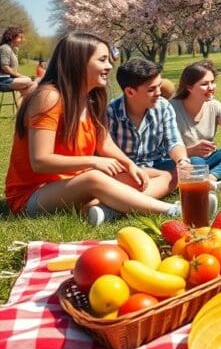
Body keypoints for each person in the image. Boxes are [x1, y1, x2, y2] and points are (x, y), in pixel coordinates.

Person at [4, 32, 186, 225]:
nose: (109, 66)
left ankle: (105, 209)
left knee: (164, 175)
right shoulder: (49, 97)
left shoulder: (91, 98)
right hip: (33, 195)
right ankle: (172, 211)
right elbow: (40, 161)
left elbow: (104, 143)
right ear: (78, 62)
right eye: (102, 60)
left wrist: (129, 165)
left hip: (76, 181)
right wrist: (93, 162)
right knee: (94, 178)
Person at [108, 58, 194, 199]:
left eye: (159, 86)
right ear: (130, 92)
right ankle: (164, 184)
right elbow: (107, 152)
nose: (159, 92)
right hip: (126, 170)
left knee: (191, 164)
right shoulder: (111, 112)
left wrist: (182, 161)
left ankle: (123, 199)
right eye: (151, 89)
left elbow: (173, 141)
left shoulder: (163, 106)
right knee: (117, 176)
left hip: (156, 165)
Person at [0, 27, 37, 100]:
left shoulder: (10, 49)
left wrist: (15, 52)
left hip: (8, 79)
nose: (22, 40)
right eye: (20, 37)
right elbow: (5, 67)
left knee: (32, 83)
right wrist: (21, 76)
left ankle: (24, 107)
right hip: (3, 81)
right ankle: (25, 107)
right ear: (12, 37)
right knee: (29, 81)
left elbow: (13, 68)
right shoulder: (5, 48)